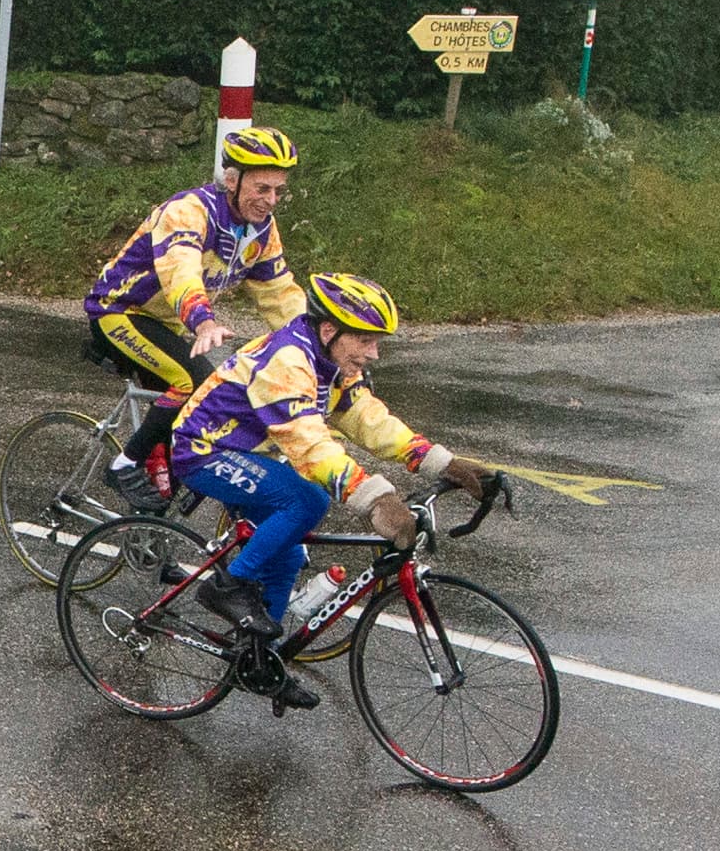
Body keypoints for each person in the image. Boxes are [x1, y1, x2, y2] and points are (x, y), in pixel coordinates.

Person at [166, 272, 498, 708]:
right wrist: (376, 500)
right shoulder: (288, 362)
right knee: (306, 499)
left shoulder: (329, 362)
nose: (373, 353)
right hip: (204, 450)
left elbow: (366, 419)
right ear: (330, 330)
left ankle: (259, 659)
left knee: (287, 553)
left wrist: (441, 462)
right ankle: (230, 587)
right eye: (365, 340)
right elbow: (310, 446)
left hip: (254, 451)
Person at [86, 123, 306, 505]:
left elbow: (280, 295)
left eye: (278, 191)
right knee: (194, 382)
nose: (271, 200)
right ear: (233, 181)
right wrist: (202, 319)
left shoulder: (261, 232)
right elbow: (180, 272)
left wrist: (317, 345)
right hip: (119, 310)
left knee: (203, 414)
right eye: (262, 189)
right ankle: (123, 464)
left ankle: (156, 542)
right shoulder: (189, 212)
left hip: (165, 322)